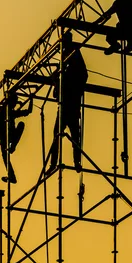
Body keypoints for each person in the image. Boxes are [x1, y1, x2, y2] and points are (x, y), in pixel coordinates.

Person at [48, 31, 88, 173]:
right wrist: (57, 80)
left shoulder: (73, 54)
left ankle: (74, 162)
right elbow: (59, 75)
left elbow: (83, 75)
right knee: (61, 134)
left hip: (70, 105)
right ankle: (56, 163)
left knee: (72, 136)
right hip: (66, 105)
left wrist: (60, 79)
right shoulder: (67, 55)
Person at [0, 91, 33, 184]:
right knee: (5, 157)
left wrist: (31, 99)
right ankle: (12, 176)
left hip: (11, 136)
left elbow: (28, 111)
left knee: (21, 124)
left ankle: (13, 146)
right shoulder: (1, 110)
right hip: (4, 136)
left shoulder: (11, 112)